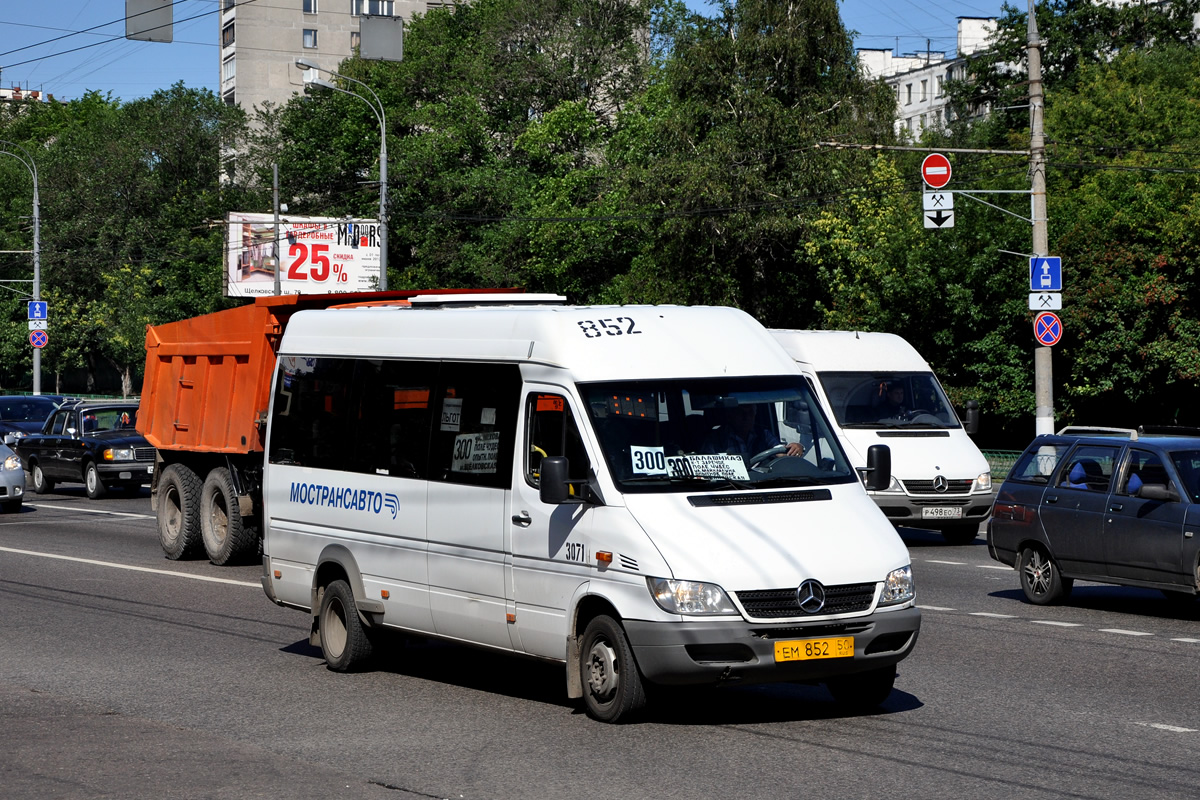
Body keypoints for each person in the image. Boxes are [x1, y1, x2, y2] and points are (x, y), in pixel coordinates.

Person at [704, 405, 804, 459]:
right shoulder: (716, 438)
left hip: (762, 483)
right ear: (731, 416)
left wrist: (796, 448)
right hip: (728, 487)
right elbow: (708, 466)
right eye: (741, 413)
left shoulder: (763, 434)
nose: (746, 417)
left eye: (750, 413)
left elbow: (779, 451)